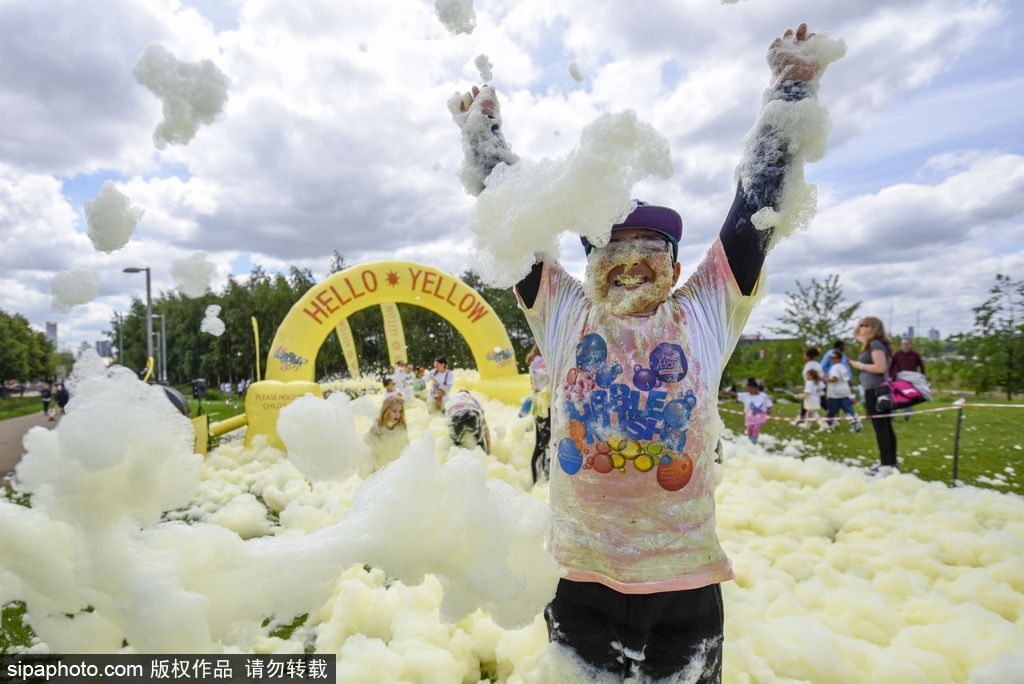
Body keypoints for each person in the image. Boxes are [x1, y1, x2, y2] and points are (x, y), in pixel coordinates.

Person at [450, 22, 830, 680]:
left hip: (683, 585)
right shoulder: (565, 312)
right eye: (612, 250)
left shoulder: (707, 309)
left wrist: (792, 88)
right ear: (589, 262)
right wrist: (483, 137)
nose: (631, 263)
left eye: (650, 250)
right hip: (582, 580)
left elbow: (755, 212)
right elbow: (514, 224)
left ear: (677, 264)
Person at [850, 317, 897, 473]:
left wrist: (860, 365)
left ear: (874, 328)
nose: (861, 328)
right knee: (885, 426)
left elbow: (880, 367)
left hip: (877, 390)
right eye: (860, 325)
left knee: (881, 427)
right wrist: (858, 327)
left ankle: (886, 463)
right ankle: (890, 462)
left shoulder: (875, 344)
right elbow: (855, 334)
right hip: (874, 389)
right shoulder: (873, 343)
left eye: (865, 325)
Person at [362, 394, 409, 470]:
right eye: (394, 411)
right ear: (386, 410)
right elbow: (368, 453)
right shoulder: (376, 430)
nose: (398, 415)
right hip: (380, 470)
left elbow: (406, 449)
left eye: (400, 411)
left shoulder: (401, 429)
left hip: (396, 469)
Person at [526, 344, 552, 482]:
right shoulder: (542, 362)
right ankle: (544, 479)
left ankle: (536, 480)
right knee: (546, 444)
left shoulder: (534, 361)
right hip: (545, 405)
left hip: (539, 405)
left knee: (540, 444)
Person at [824, 349, 861, 431]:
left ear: (838, 359)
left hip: (834, 394)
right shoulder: (843, 366)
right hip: (844, 392)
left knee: (831, 411)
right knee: (848, 410)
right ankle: (856, 424)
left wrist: (825, 379)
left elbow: (835, 378)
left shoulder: (834, 367)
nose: (832, 360)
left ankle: (828, 425)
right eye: (831, 358)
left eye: (833, 358)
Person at [891, 338, 926, 421]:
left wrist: (922, 377)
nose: (905, 346)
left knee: (910, 397)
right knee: (895, 397)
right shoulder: (897, 354)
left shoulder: (915, 355)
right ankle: (892, 416)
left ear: (910, 345)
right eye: (903, 344)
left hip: (911, 379)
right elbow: (891, 366)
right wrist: (892, 377)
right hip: (899, 379)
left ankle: (907, 416)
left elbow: (921, 366)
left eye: (906, 344)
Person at [730, 378, 772, 444]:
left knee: (756, 428)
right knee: (749, 429)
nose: (749, 391)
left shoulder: (763, 395)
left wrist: (768, 414)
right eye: (748, 389)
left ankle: (753, 443)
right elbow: (735, 394)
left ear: (756, 388)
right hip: (749, 417)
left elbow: (769, 405)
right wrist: (724, 390)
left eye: (750, 389)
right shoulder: (746, 395)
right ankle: (750, 442)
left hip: (760, 417)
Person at [791, 347, 822, 427]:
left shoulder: (808, 366)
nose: (803, 357)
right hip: (817, 388)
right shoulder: (818, 365)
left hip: (811, 390)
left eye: (804, 355)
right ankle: (806, 423)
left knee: (812, 409)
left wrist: (801, 394)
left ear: (808, 356)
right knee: (809, 409)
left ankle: (824, 424)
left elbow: (807, 378)